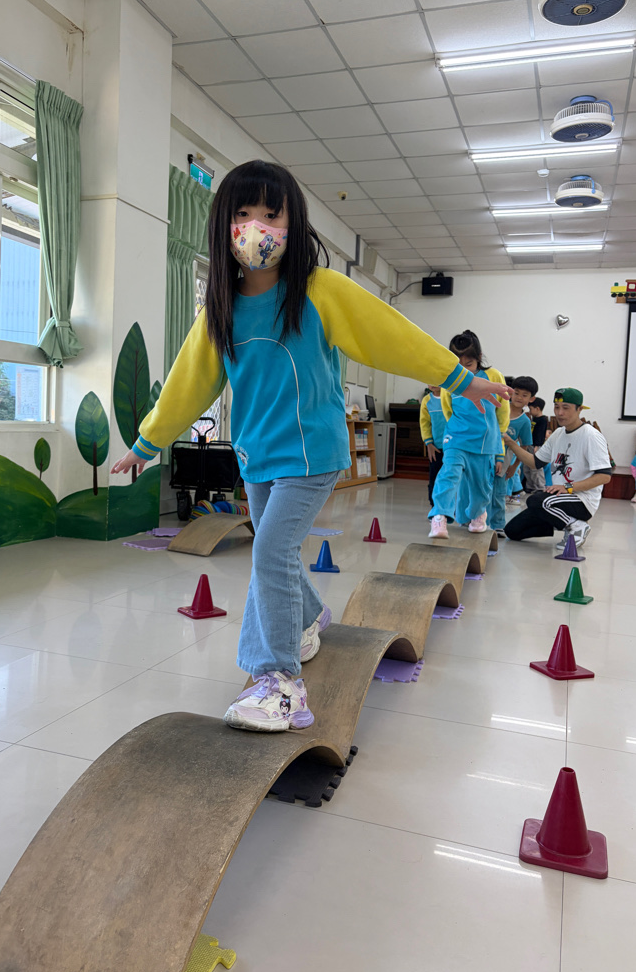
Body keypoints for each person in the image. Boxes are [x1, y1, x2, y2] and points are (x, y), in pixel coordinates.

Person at [110, 160, 509, 734]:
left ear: (292, 225)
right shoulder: (220, 309)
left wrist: (459, 379)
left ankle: (279, 682)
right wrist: (147, 442)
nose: (257, 227)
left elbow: (391, 336)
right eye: (244, 214)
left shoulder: (319, 291)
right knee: (274, 549)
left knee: (269, 551)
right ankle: (307, 616)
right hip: (256, 456)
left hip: (312, 454)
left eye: (271, 215)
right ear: (223, 225)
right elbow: (188, 382)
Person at [503, 388, 612, 549]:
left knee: (535, 500)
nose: (560, 413)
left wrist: (567, 487)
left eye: (566, 408)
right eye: (556, 407)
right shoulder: (558, 434)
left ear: (579, 409)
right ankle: (561, 522)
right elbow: (535, 463)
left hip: (581, 500)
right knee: (512, 531)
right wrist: (511, 443)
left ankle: (576, 526)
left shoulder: (591, 436)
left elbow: (604, 476)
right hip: (558, 498)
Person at [427, 330, 510, 539]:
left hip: (485, 442)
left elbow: (503, 409)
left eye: (469, 364)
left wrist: (498, 436)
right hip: (457, 438)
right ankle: (439, 516)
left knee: (481, 486)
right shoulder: (449, 378)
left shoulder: (493, 376)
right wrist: (455, 430)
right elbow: (447, 409)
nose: (464, 369)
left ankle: (478, 515)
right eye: (459, 364)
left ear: (479, 358)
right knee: (448, 474)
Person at [488, 376, 538, 535]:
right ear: (510, 392)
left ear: (531, 399)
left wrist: (514, 467)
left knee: (499, 492)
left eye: (524, 395)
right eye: (516, 393)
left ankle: (497, 524)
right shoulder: (498, 408)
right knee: (480, 487)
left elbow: (523, 446)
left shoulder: (525, 421)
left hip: (506, 458)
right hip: (487, 452)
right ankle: (475, 520)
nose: (519, 398)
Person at [419, 384, 446, 506]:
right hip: (436, 448)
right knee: (434, 478)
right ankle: (435, 507)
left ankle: (452, 508)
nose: (433, 383)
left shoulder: (450, 396)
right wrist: (429, 443)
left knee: (452, 478)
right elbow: (424, 423)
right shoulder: (427, 400)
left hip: (453, 447)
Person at [523, 397, 548, 492]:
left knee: (536, 467)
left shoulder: (542, 420)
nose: (530, 412)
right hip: (530, 444)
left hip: (536, 446)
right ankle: (530, 486)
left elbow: (540, 434)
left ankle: (540, 487)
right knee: (527, 466)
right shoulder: (534, 419)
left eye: (531, 409)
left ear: (537, 408)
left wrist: (537, 446)